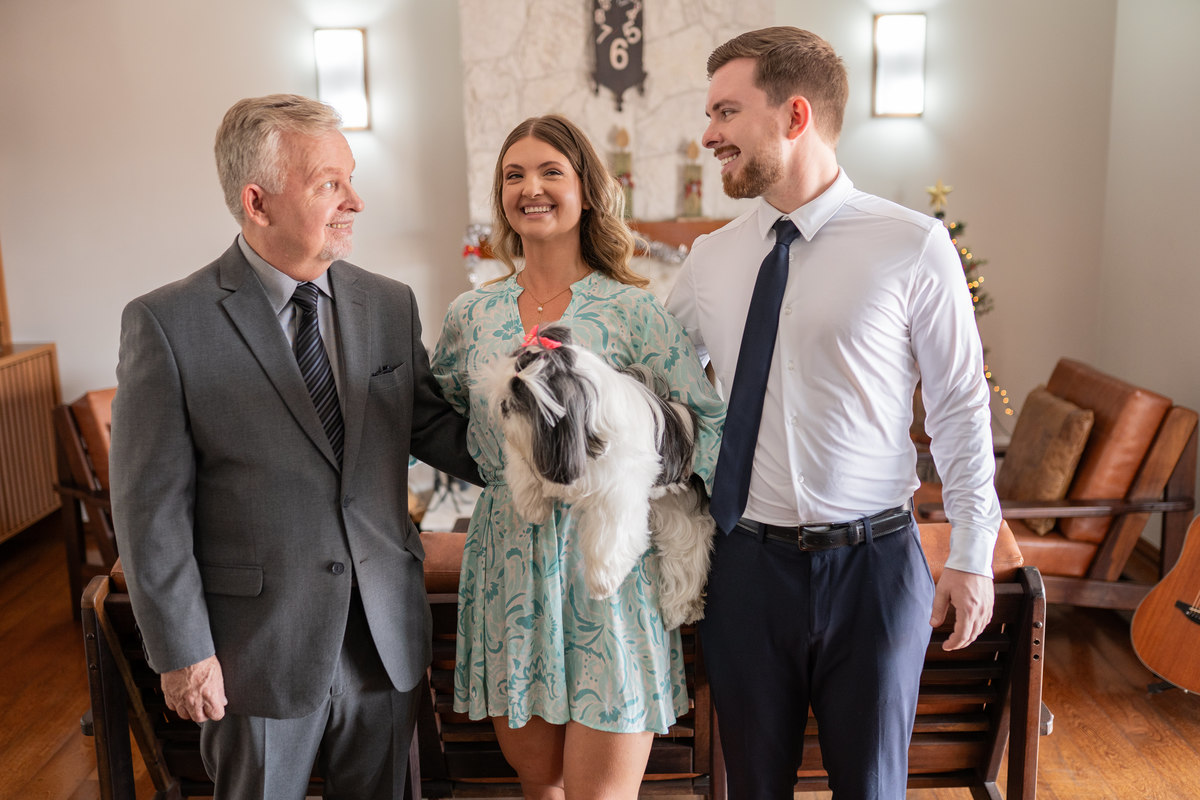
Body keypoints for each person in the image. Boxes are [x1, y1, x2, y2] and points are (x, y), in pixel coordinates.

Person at [109, 94, 479, 800]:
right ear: (258, 202)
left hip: (383, 638)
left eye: (351, 178)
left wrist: (560, 444)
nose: (355, 201)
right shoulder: (167, 323)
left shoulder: (389, 304)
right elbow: (148, 511)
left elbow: (437, 429)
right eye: (329, 184)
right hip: (252, 651)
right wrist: (184, 654)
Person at [665, 28, 1003, 800]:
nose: (708, 135)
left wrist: (972, 553)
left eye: (725, 111)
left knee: (872, 788)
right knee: (751, 788)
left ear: (794, 115)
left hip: (875, 571)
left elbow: (959, 407)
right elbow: (645, 371)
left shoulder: (913, 245)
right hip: (746, 568)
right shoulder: (711, 260)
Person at [430, 114, 725, 800]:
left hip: (609, 573)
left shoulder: (634, 312)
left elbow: (706, 425)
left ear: (587, 190)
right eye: (514, 175)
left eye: (550, 172)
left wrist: (625, 472)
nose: (530, 188)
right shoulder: (471, 316)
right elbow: (439, 415)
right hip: (508, 567)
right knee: (541, 788)